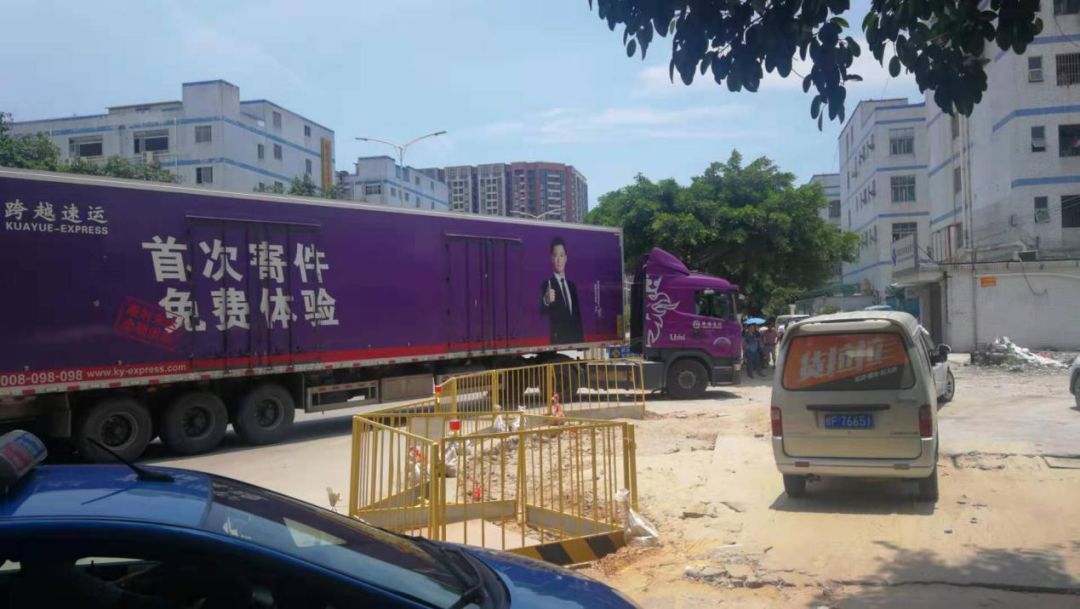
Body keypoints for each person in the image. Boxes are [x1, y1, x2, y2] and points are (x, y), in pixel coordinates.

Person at [540, 237, 583, 344]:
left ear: (566, 258)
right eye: (555, 256)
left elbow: (577, 318)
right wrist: (546, 301)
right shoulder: (546, 285)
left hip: (574, 341)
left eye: (561, 255)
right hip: (557, 342)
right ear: (551, 258)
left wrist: (581, 343)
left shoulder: (572, 286)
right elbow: (540, 312)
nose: (559, 260)